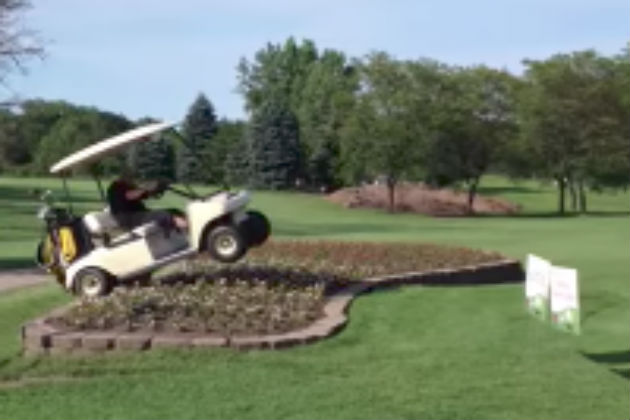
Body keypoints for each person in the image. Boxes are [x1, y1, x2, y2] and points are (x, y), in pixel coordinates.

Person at [107, 170, 187, 232]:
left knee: (174, 211)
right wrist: (146, 187)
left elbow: (144, 194)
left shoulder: (129, 186)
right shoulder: (116, 187)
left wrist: (157, 189)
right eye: (132, 177)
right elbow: (130, 196)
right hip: (128, 219)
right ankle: (188, 227)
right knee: (163, 215)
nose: (134, 180)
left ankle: (187, 233)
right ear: (125, 176)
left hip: (138, 215)